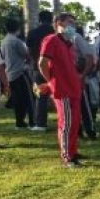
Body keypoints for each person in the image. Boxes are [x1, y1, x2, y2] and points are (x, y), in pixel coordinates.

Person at [38, 13, 84, 168]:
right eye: (69, 22)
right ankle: (67, 156)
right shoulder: (51, 40)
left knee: (75, 122)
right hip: (62, 88)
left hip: (74, 88)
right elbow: (42, 63)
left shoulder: (69, 44)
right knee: (67, 123)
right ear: (58, 23)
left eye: (74, 23)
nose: (72, 26)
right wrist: (50, 81)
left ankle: (73, 150)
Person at [1, 18, 34, 130]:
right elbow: (26, 55)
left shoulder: (4, 41)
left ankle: (19, 122)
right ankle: (33, 121)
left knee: (17, 99)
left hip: (10, 73)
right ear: (17, 28)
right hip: (20, 72)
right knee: (29, 98)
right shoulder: (16, 41)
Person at [26, 10, 55, 131]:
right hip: (54, 66)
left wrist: (34, 61)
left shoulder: (33, 32)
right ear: (51, 19)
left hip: (37, 66)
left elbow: (29, 51)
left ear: (39, 20)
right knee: (60, 94)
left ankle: (41, 123)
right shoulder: (55, 32)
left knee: (41, 95)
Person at [73, 25, 97, 140]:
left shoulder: (76, 37)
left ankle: (89, 131)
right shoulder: (57, 39)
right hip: (66, 78)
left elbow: (89, 57)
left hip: (77, 77)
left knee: (83, 104)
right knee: (73, 106)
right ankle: (77, 131)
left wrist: (83, 75)